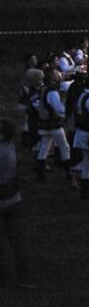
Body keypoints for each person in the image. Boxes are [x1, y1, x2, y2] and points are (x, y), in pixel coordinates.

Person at [0, 120, 34, 289]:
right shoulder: (10, 148)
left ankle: (5, 276)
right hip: (14, 198)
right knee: (19, 240)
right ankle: (24, 275)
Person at [34, 68, 72, 183]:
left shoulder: (43, 89)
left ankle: (40, 174)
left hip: (44, 123)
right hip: (53, 124)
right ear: (52, 77)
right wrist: (67, 113)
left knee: (44, 148)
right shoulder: (52, 91)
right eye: (56, 73)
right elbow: (58, 108)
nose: (58, 75)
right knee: (64, 147)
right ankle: (68, 173)